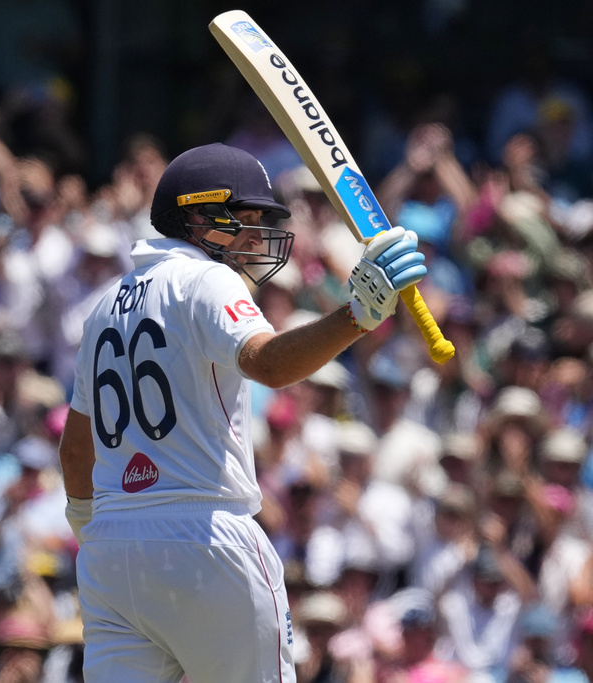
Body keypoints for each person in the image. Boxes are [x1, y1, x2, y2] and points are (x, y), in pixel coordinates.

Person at [58, 142, 429, 682]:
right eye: (244, 217)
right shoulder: (208, 278)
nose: (257, 234)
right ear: (195, 216)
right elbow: (269, 365)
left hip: (110, 549)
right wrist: (359, 315)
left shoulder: (103, 306)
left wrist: (101, 534)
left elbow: (75, 448)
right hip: (206, 536)